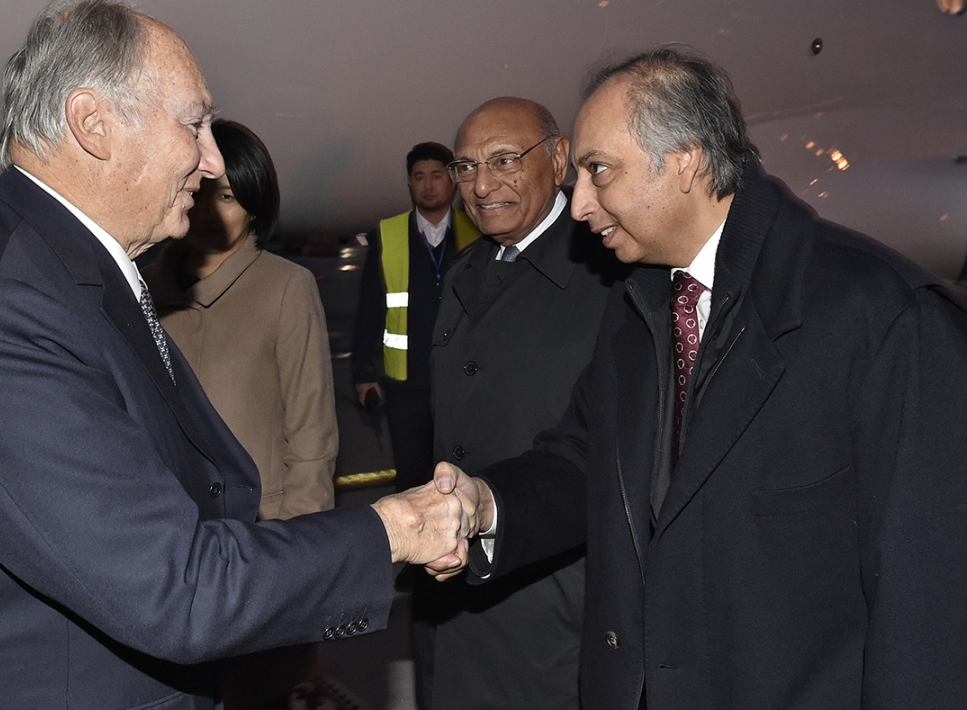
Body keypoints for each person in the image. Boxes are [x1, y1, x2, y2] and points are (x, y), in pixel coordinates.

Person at [0, 0, 475, 710]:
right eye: (195, 124)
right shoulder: (0, 311)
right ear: (93, 124)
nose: (214, 160)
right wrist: (397, 526)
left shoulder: (57, 268)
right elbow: (176, 589)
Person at [439, 47, 967, 709]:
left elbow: (931, 599)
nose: (579, 206)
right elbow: (585, 462)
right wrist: (485, 507)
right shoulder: (641, 305)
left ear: (685, 161)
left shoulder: (879, 318)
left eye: (600, 171)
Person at [417, 99, 623, 710]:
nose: (482, 186)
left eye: (505, 161)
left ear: (559, 158)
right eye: (465, 168)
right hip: (455, 592)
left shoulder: (611, 272)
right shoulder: (465, 270)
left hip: (557, 604)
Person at [147, 119, 337, 524]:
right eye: (200, 192)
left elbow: (311, 436)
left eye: (229, 196)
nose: (209, 211)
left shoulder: (286, 287)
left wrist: (300, 543)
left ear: (256, 206)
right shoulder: (144, 287)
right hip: (165, 526)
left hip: (260, 528)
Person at [351, 142, 478, 492]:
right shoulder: (387, 235)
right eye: (419, 177)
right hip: (407, 383)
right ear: (409, 184)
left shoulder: (478, 232)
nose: (428, 185)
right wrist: (363, 372)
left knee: (464, 473)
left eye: (437, 176)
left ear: (451, 181)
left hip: (463, 378)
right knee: (412, 475)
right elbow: (370, 308)